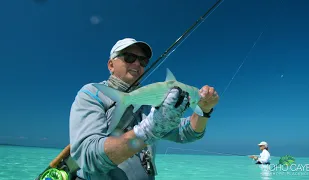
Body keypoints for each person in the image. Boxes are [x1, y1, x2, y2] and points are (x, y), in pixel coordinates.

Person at [69, 38, 219, 180]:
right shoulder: (92, 94)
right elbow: (88, 159)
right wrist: (148, 130)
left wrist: (203, 111)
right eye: (129, 57)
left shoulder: (150, 103)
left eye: (143, 61)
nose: (137, 64)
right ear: (111, 65)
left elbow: (187, 133)